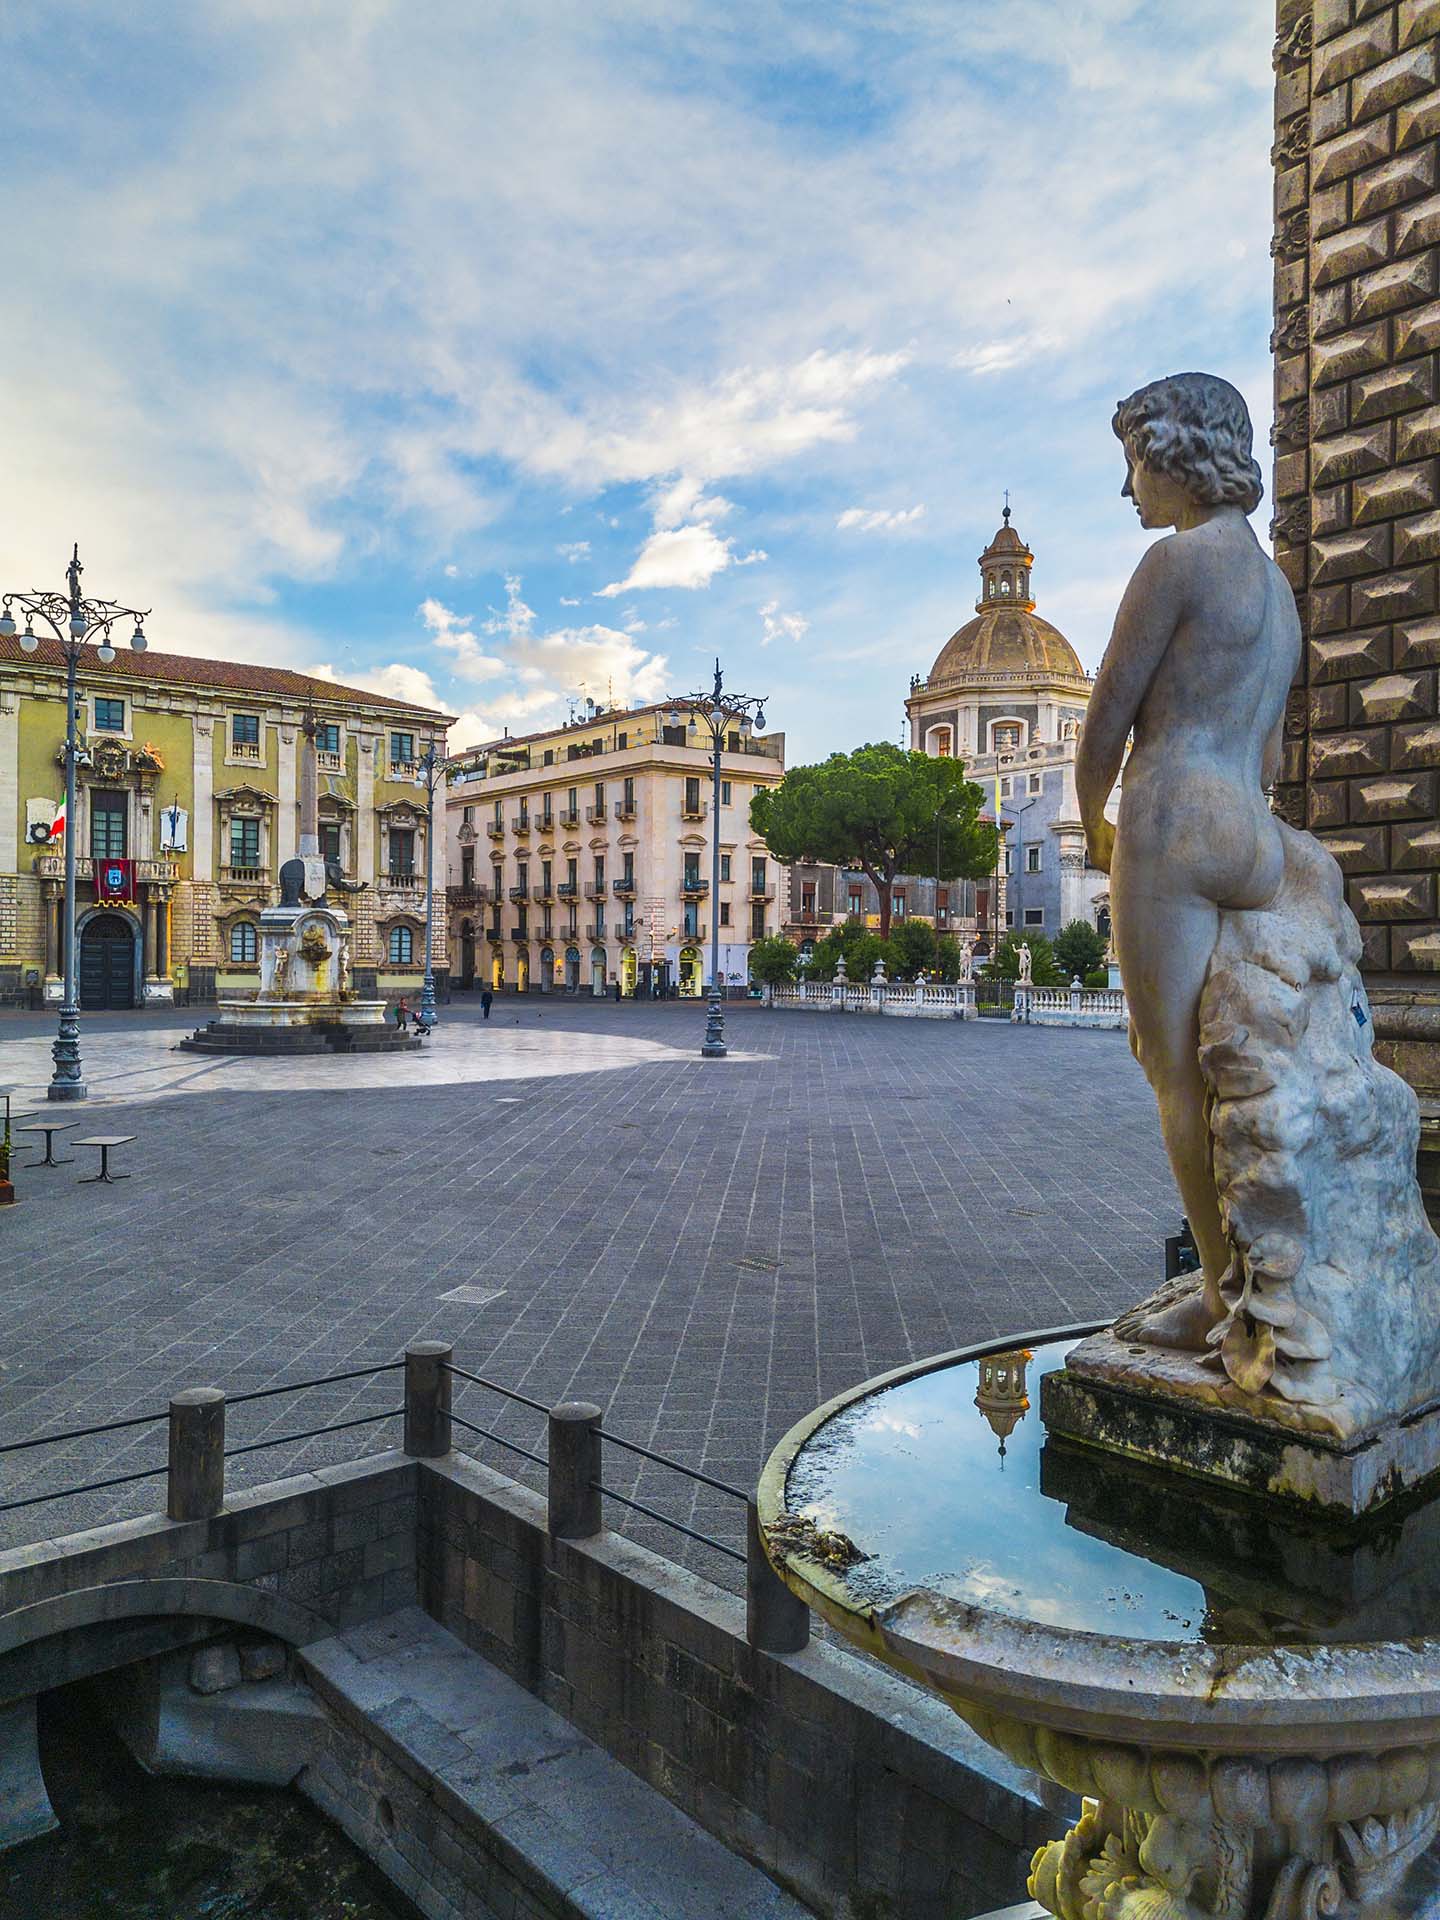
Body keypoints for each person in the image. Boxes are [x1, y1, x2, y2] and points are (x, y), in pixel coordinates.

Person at [1076, 372, 1299, 1350]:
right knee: (1241, 1066)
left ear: (1174, 453)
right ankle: (1271, 1270)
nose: (1128, 486)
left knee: (1173, 1070)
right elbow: (1275, 755)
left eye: (1134, 462)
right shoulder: (1277, 590)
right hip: (1251, 832)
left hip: (1172, 818)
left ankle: (1221, 1292)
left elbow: (1107, 717)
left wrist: (1094, 818)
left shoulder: (1174, 563)